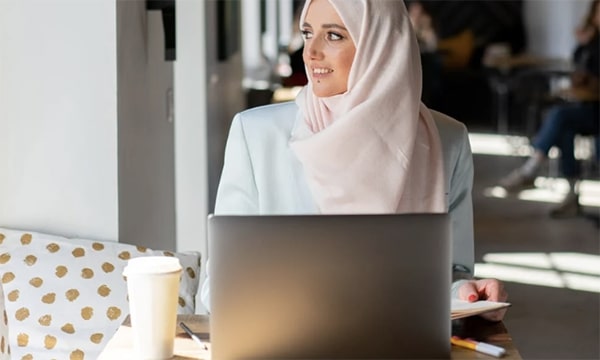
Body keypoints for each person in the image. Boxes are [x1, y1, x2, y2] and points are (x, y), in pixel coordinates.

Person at [202, 0, 508, 321]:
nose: (310, 52)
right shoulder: (255, 134)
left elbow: (451, 272)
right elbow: (220, 284)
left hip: (399, 338)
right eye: (308, 33)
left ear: (380, 45)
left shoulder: (448, 139)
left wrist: (467, 292)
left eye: (334, 36)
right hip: (287, 337)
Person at [498, 0, 599, 218]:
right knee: (565, 130)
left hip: (595, 111)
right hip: (587, 109)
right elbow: (580, 70)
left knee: (560, 116)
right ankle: (571, 195)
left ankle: (531, 169)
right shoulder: (591, 43)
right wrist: (583, 44)